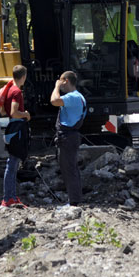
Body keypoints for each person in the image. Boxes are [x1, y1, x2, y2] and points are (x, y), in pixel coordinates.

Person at [51, 70, 87, 207]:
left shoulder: (73, 97)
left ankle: (74, 203)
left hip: (68, 137)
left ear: (66, 81)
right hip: (70, 137)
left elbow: (54, 101)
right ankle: (74, 200)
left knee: (69, 169)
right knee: (70, 168)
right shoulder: (79, 97)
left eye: (61, 80)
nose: (60, 83)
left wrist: (56, 87)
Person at [1, 65, 31, 209]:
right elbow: (14, 112)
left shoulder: (7, 89)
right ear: (23, 76)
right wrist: (25, 114)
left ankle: (11, 197)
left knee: (12, 163)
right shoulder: (17, 91)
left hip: (10, 127)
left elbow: (2, 111)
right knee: (12, 163)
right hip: (17, 128)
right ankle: (8, 199)